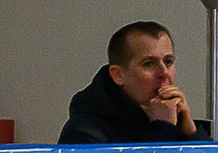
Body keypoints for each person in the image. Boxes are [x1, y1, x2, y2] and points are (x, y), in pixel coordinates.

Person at [59, 21, 210, 143]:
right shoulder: (83, 132)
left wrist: (191, 133)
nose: (164, 73)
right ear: (118, 75)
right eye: (149, 64)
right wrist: (162, 128)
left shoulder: (173, 118)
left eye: (168, 61)